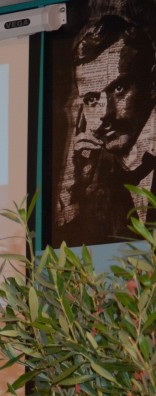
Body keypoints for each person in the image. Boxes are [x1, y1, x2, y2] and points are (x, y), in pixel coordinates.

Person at [55, 13, 156, 246]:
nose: (103, 113)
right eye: (91, 99)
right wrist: (72, 194)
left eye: (118, 88)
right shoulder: (96, 186)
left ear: (151, 83)